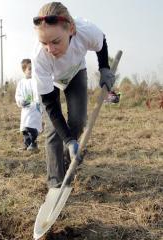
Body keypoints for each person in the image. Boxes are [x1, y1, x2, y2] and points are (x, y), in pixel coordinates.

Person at [32, 2, 115, 189]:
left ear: (71, 29)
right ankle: (56, 182)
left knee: (78, 120)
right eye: (44, 43)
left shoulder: (86, 31)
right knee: (54, 130)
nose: (50, 50)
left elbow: (101, 41)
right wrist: (68, 139)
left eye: (55, 41)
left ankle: (69, 159)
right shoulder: (40, 58)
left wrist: (104, 68)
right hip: (53, 81)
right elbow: (51, 106)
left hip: (77, 72)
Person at [15, 59, 42, 151]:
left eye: (33, 69)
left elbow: (40, 92)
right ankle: (27, 144)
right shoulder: (21, 83)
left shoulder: (36, 81)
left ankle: (34, 143)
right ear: (24, 70)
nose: (32, 71)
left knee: (31, 126)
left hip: (35, 108)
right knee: (24, 128)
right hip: (25, 109)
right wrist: (21, 101)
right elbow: (18, 95)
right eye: (30, 69)